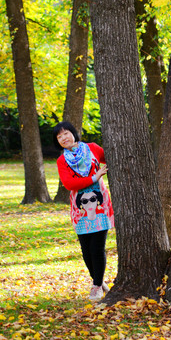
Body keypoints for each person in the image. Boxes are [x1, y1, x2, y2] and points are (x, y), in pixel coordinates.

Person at [53, 121, 114, 301]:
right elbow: (69, 184)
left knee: (97, 247)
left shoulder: (93, 148)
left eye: (66, 133)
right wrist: (95, 176)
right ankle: (99, 280)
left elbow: (111, 158)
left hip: (100, 204)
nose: (64, 138)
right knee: (86, 250)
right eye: (59, 136)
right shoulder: (62, 160)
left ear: (73, 133)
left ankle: (96, 286)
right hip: (79, 208)